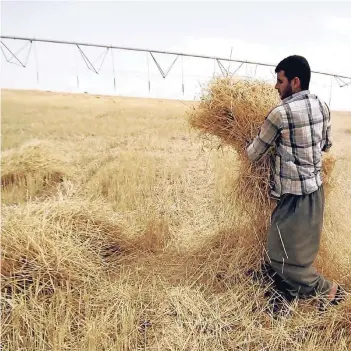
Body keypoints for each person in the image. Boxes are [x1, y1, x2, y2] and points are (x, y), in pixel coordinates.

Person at [246, 55, 345, 312]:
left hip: (292, 196)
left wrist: (244, 134)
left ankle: (330, 291)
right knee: (297, 253)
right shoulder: (322, 105)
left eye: (280, 81)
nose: (276, 87)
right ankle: (288, 293)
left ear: (295, 81)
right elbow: (327, 145)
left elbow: (253, 153)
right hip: (315, 191)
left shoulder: (280, 113)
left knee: (281, 257)